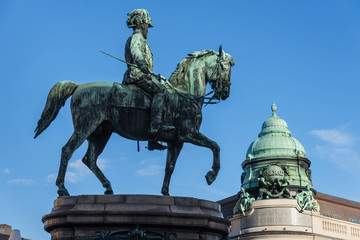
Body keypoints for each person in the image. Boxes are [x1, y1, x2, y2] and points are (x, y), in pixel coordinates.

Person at [123, 9, 174, 151]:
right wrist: (143, 65)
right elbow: (137, 53)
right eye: (147, 26)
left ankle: (152, 140)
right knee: (160, 91)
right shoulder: (136, 38)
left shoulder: (141, 39)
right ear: (141, 24)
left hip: (143, 74)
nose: (148, 30)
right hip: (137, 75)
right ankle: (156, 126)